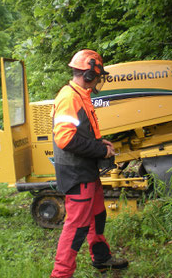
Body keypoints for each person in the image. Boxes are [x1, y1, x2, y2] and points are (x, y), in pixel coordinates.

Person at [50, 49, 128, 278]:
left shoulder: (80, 94)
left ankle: (101, 258)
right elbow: (64, 138)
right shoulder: (69, 97)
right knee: (76, 227)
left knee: (97, 216)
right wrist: (100, 149)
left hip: (87, 170)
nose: (97, 81)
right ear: (87, 74)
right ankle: (61, 274)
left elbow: (80, 131)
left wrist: (98, 141)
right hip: (77, 173)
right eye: (96, 76)